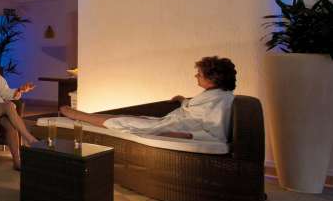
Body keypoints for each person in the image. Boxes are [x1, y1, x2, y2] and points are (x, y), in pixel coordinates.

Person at [59, 56, 236, 142]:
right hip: (170, 121)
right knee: (126, 118)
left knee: (124, 122)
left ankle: (77, 115)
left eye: (199, 74)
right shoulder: (215, 96)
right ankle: (79, 115)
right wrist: (183, 100)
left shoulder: (220, 102)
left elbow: (216, 134)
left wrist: (183, 135)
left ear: (212, 78)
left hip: (173, 128)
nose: (196, 76)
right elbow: (199, 111)